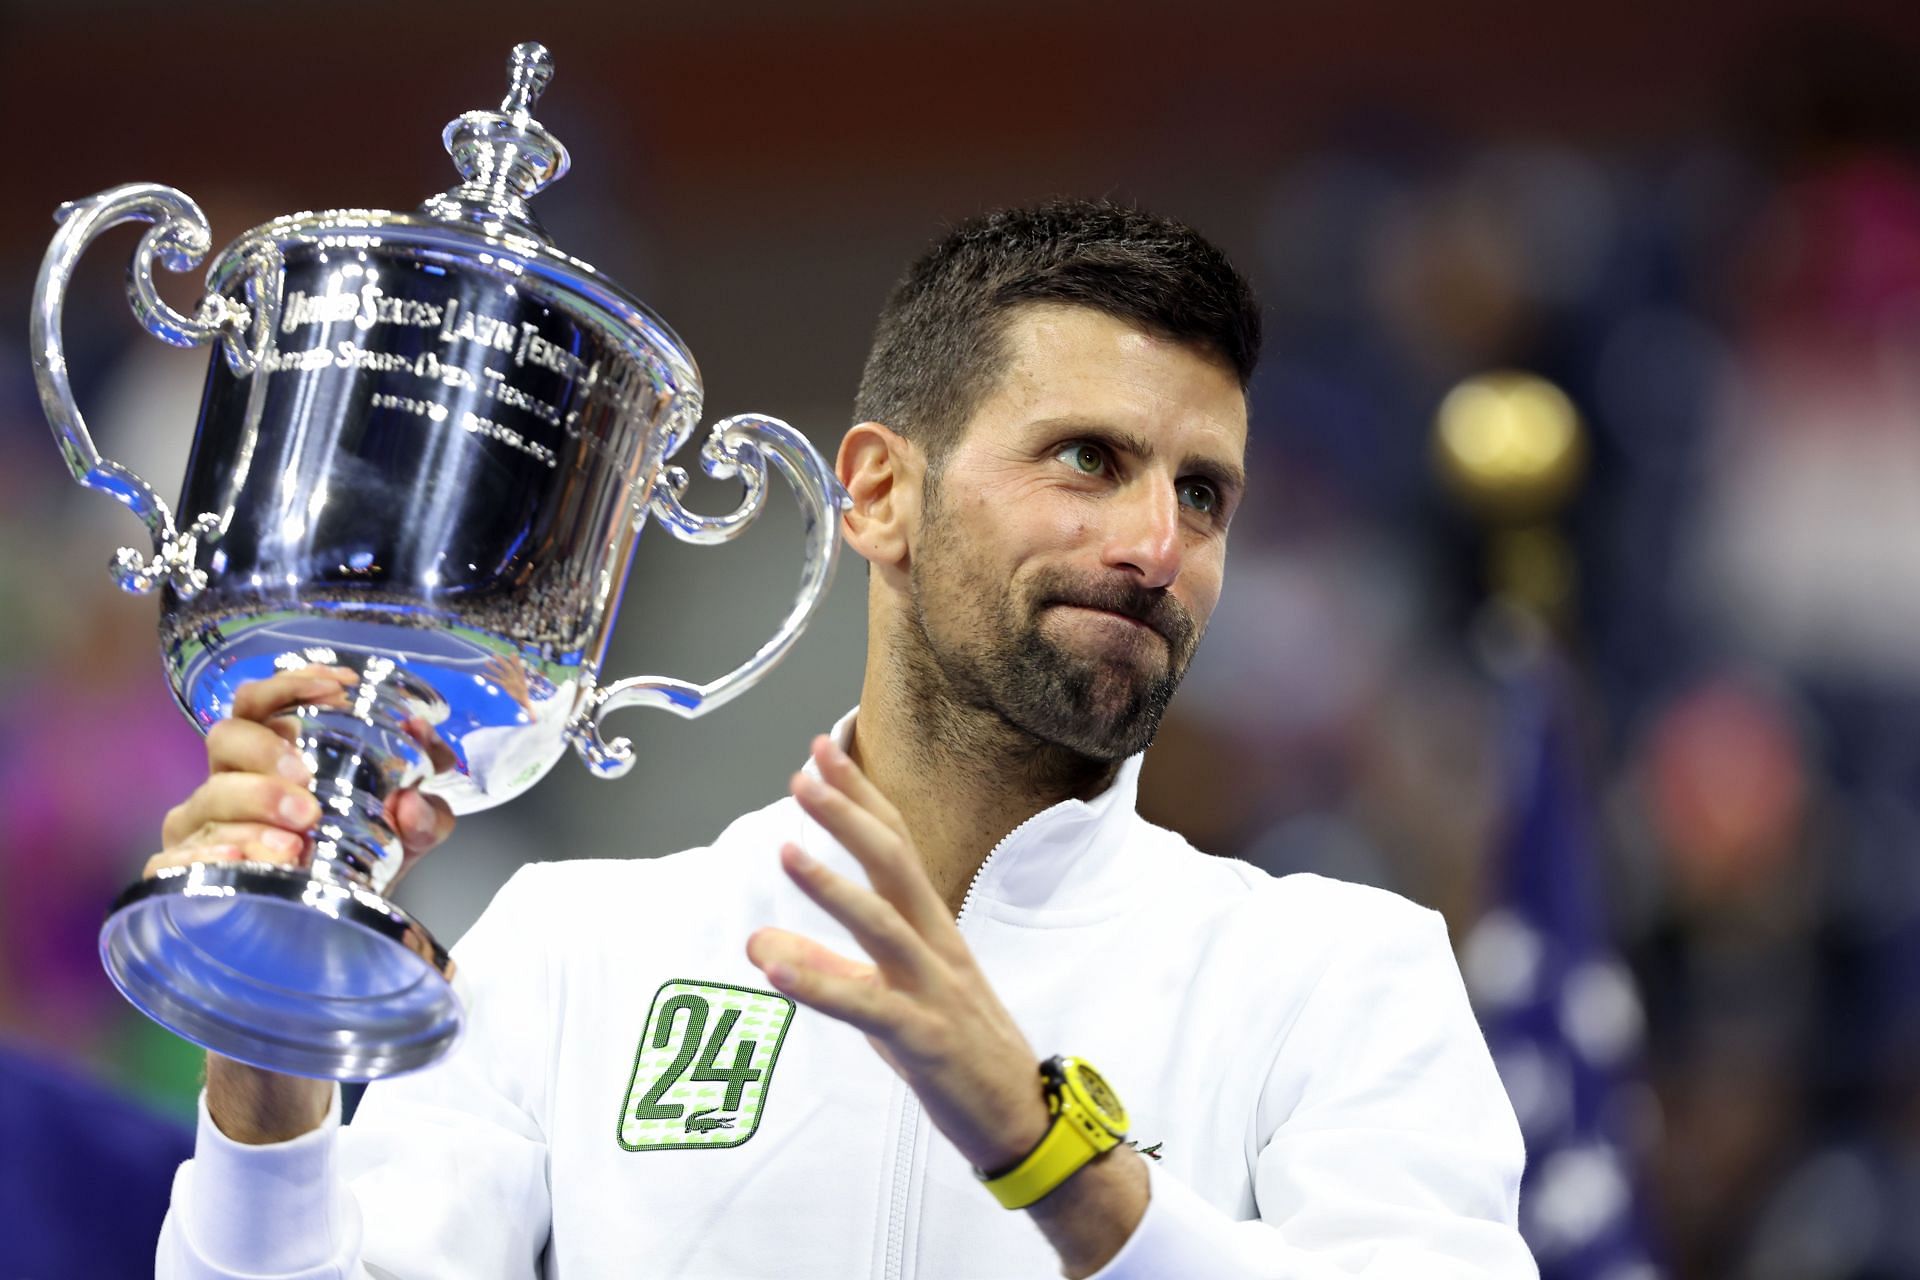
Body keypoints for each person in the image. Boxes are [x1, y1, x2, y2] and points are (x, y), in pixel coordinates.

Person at [151, 200, 1534, 1277]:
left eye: (1206, 494)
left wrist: (1053, 1154)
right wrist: (264, 1084)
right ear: (876, 494)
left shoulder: (1338, 976)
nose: (1157, 546)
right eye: (1088, 462)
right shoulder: (571, 954)